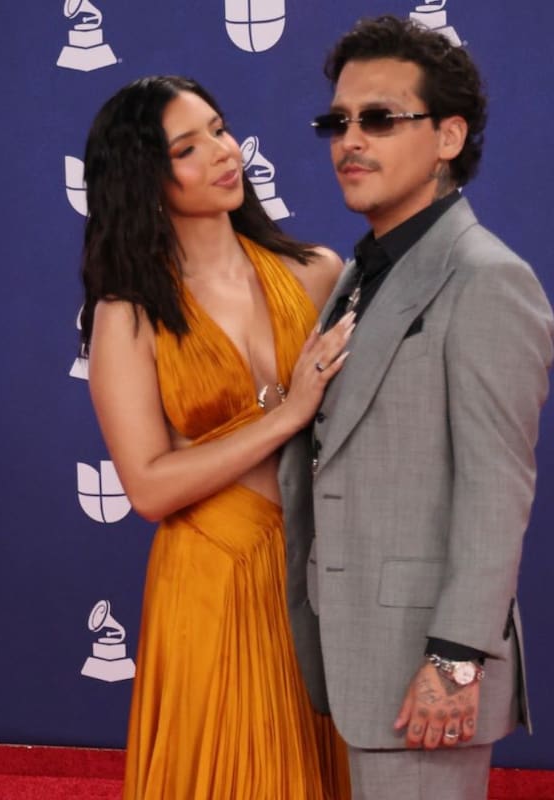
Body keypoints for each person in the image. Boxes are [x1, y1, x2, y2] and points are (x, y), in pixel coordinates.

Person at [279, 15, 554, 799]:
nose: (349, 140)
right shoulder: (363, 267)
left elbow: (498, 490)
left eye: (380, 118)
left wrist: (455, 658)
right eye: (338, 121)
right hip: (357, 656)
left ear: (447, 136)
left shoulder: (487, 279)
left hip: (426, 676)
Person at [81, 75, 354, 799]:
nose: (224, 152)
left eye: (220, 129)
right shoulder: (127, 316)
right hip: (213, 581)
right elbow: (146, 486)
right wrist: (288, 413)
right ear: (146, 176)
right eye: (188, 146)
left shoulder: (318, 272)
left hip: (322, 575)